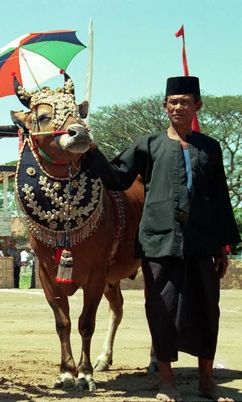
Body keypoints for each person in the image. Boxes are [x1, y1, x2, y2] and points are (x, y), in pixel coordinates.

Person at [84, 76, 239, 402]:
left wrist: (224, 246)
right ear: (165, 106)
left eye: (185, 102)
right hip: (158, 242)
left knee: (207, 309)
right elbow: (116, 178)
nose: (179, 107)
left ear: (197, 105)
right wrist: (93, 150)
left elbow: (221, 198)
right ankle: (167, 383)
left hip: (201, 243)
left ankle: (206, 381)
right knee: (162, 309)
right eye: (173, 102)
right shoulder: (148, 145)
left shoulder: (210, 147)